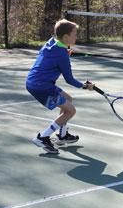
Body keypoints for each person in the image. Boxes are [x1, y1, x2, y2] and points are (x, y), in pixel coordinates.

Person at [26, 19, 94, 154]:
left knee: (68, 99)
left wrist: (65, 52)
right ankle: (43, 137)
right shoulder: (62, 55)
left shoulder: (51, 42)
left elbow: (55, 54)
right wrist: (86, 86)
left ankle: (62, 136)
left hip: (36, 82)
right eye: (74, 34)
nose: (76, 37)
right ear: (65, 37)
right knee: (71, 111)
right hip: (42, 87)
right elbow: (69, 80)